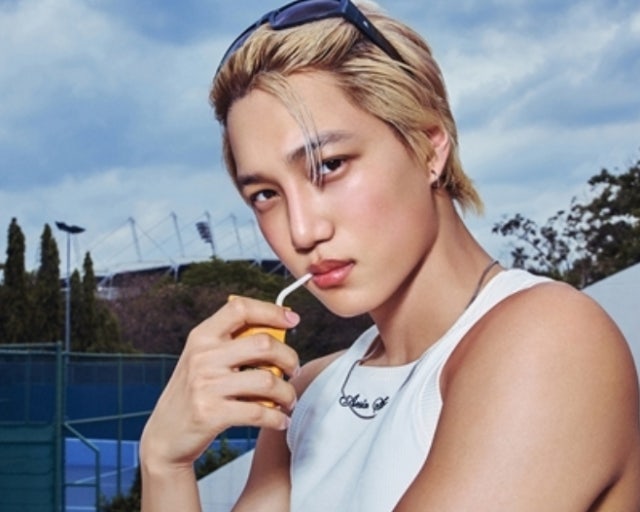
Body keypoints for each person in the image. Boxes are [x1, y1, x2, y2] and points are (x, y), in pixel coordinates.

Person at [139, 1, 640, 510]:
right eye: (265, 194)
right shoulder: (310, 393)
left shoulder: (553, 338)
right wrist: (164, 462)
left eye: (329, 165)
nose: (302, 231)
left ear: (429, 146)